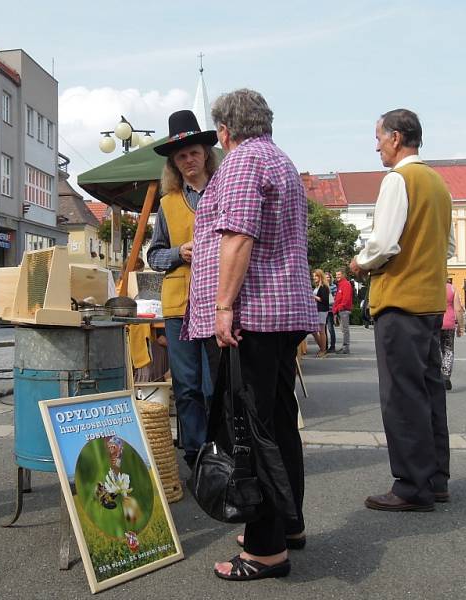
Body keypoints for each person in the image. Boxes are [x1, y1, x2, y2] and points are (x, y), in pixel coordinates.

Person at [184, 89, 318, 580]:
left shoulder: (241, 163)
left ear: (223, 130)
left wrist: (222, 306)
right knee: (278, 425)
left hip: (251, 318)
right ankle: (287, 524)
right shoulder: (279, 159)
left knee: (248, 431)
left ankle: (265, 550)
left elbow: (238, 235)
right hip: (280, 313)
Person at [350, 108, 455, 512]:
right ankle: (436, 478)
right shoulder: (437, 183)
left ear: (396, 138)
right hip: (429, 301)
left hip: (400, 301)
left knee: (401, 397)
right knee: (430, 393)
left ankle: (412, 485)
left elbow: (384, 243)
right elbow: (445, 248)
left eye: (379, 137)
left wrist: (360, 262)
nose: (376, 145)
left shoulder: (399, 179)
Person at [147, 109, 219, 469]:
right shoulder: (167, 203)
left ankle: (219, 449)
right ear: (173, 164)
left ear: (206, 154)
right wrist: (179, 252)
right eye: (181, 157)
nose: (188, 160)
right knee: (187, 387)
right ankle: (195, 455)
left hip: (217, 303)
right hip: (178, 306)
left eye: (193, 153)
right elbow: (154, 255)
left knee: (213, 386)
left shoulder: (224, 191)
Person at [441, 279, 465, 390]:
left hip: (433, 323)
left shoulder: (431, 286)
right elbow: (458, 309)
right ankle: (446, 376)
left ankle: (434, 377)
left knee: (432, 350)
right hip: (448, 324)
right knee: (448, 350)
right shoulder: (452, 288)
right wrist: (461, 326)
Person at [332, 269, 354, 354]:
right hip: (341, 310)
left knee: (345, 330)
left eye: (339, 274)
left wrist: (338, 308)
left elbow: (346, 299)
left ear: (343, 275)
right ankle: (344, 347)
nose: (337, 276)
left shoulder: (346, 284)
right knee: (343, 329)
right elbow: (338, 299)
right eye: (336, 274)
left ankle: (346, 348)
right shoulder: (340, 285)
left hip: (344, 310)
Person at [311, 269, 329, 357]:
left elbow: (325, 300)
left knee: (321, 331)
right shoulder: (317, 286)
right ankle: (322, 348)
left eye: (316, 276)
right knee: (314, 331)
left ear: (320, 276)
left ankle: (323, 350)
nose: (314, 278)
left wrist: (313, 296)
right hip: (317, 310)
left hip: (322, 310)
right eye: (313, 276)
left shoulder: (324, 287)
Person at [325, 272, 337, 351]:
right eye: (326, 277)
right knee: (323, 329)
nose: (327, 278)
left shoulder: (333, 286)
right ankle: (324, 345)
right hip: (322, 309)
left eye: (328, 277)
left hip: (329, 310)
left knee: (330, 328)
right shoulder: (321, 286)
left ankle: (332, 346)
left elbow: (335, 298)